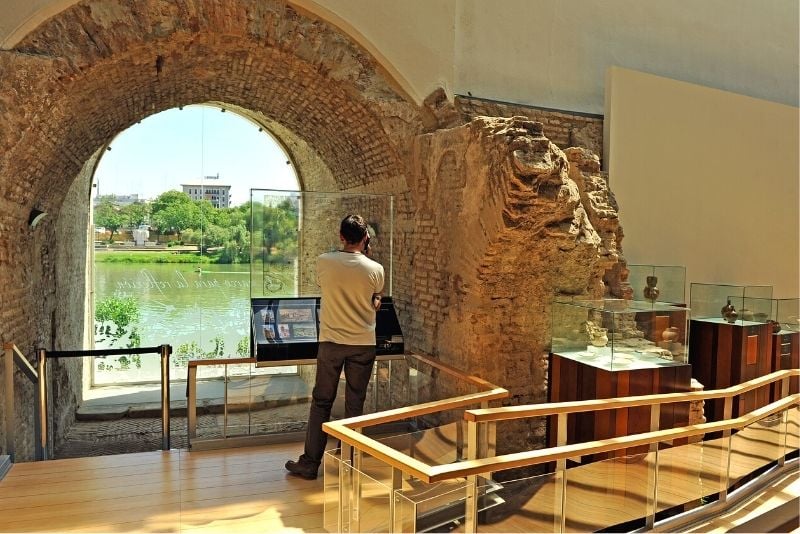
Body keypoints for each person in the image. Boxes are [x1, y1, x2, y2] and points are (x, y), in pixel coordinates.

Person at [285, 214, 384, 480]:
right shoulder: (376, 269)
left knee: (321, 403)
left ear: (341, 236)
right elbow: (374, 300)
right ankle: (348, 462)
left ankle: (310, 463)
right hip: (363, 343)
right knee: (355, 404)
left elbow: (327, 286)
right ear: (365, 238)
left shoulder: (324, 262)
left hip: (331, 343)